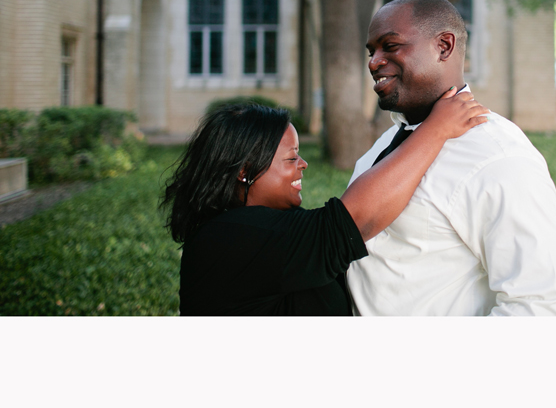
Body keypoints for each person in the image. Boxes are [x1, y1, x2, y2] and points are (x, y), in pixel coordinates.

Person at [161, 89, 488, 316]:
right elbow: (353, 222)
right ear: (245, 171)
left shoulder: (239, 227)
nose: (303, 164)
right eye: (291, 159)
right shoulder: (232, 238)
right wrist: (436, 129)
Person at [347, 0, 556, 316]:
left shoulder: (498, 157)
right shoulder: (387, 141)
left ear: (444, 46)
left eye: (391, 46)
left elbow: (539, 306)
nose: (373, 62)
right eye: (372, 51)